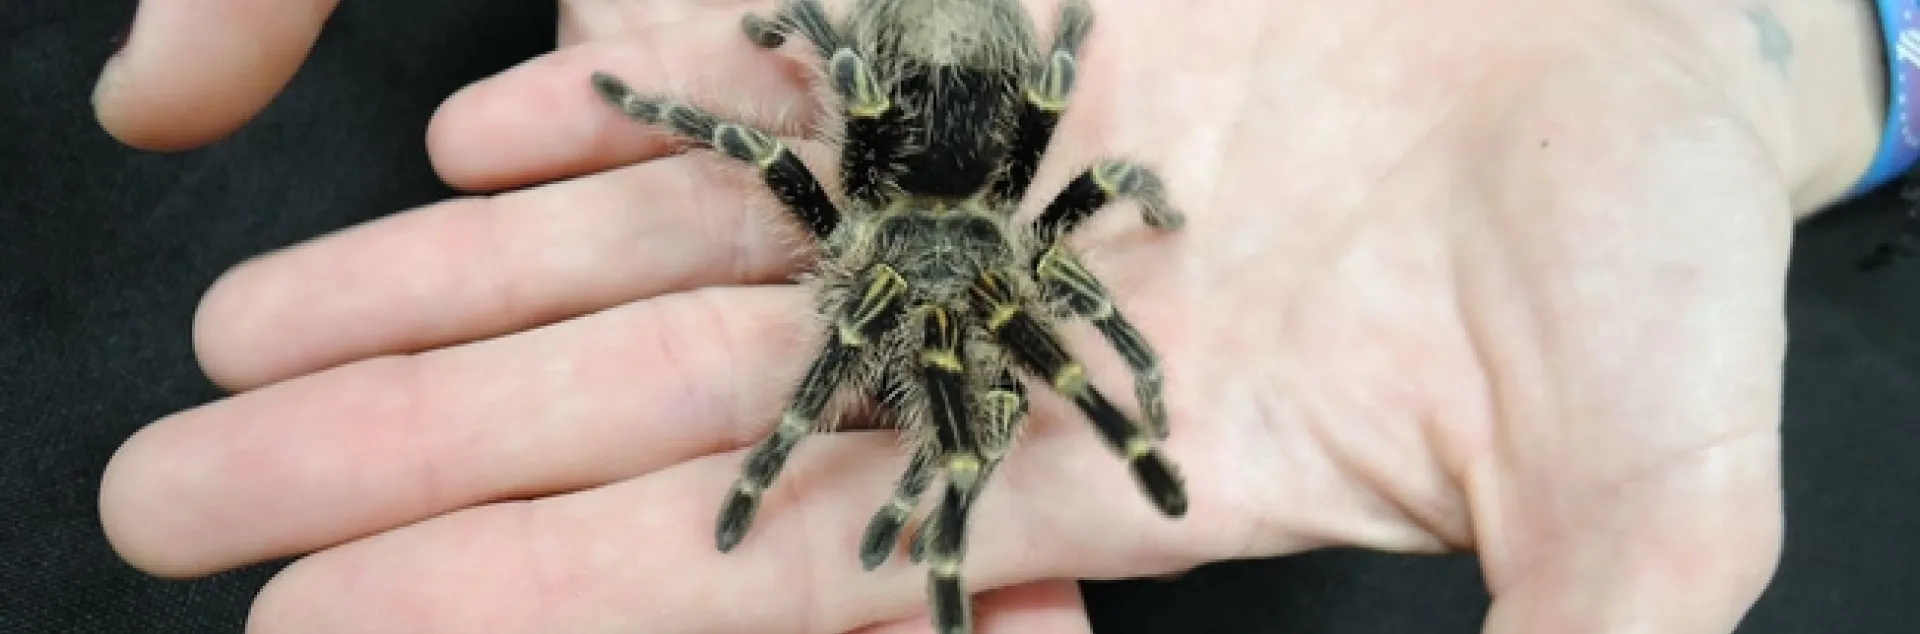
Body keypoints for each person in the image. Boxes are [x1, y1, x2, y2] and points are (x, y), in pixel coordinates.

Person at [89, 1, 1889, 632]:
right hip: (923, 159)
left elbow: (1092, 240)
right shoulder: (887, 218)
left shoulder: (1038, 235)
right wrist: (747, 80)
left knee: (1004, 343)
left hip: (955, 182)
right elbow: (762, 132)